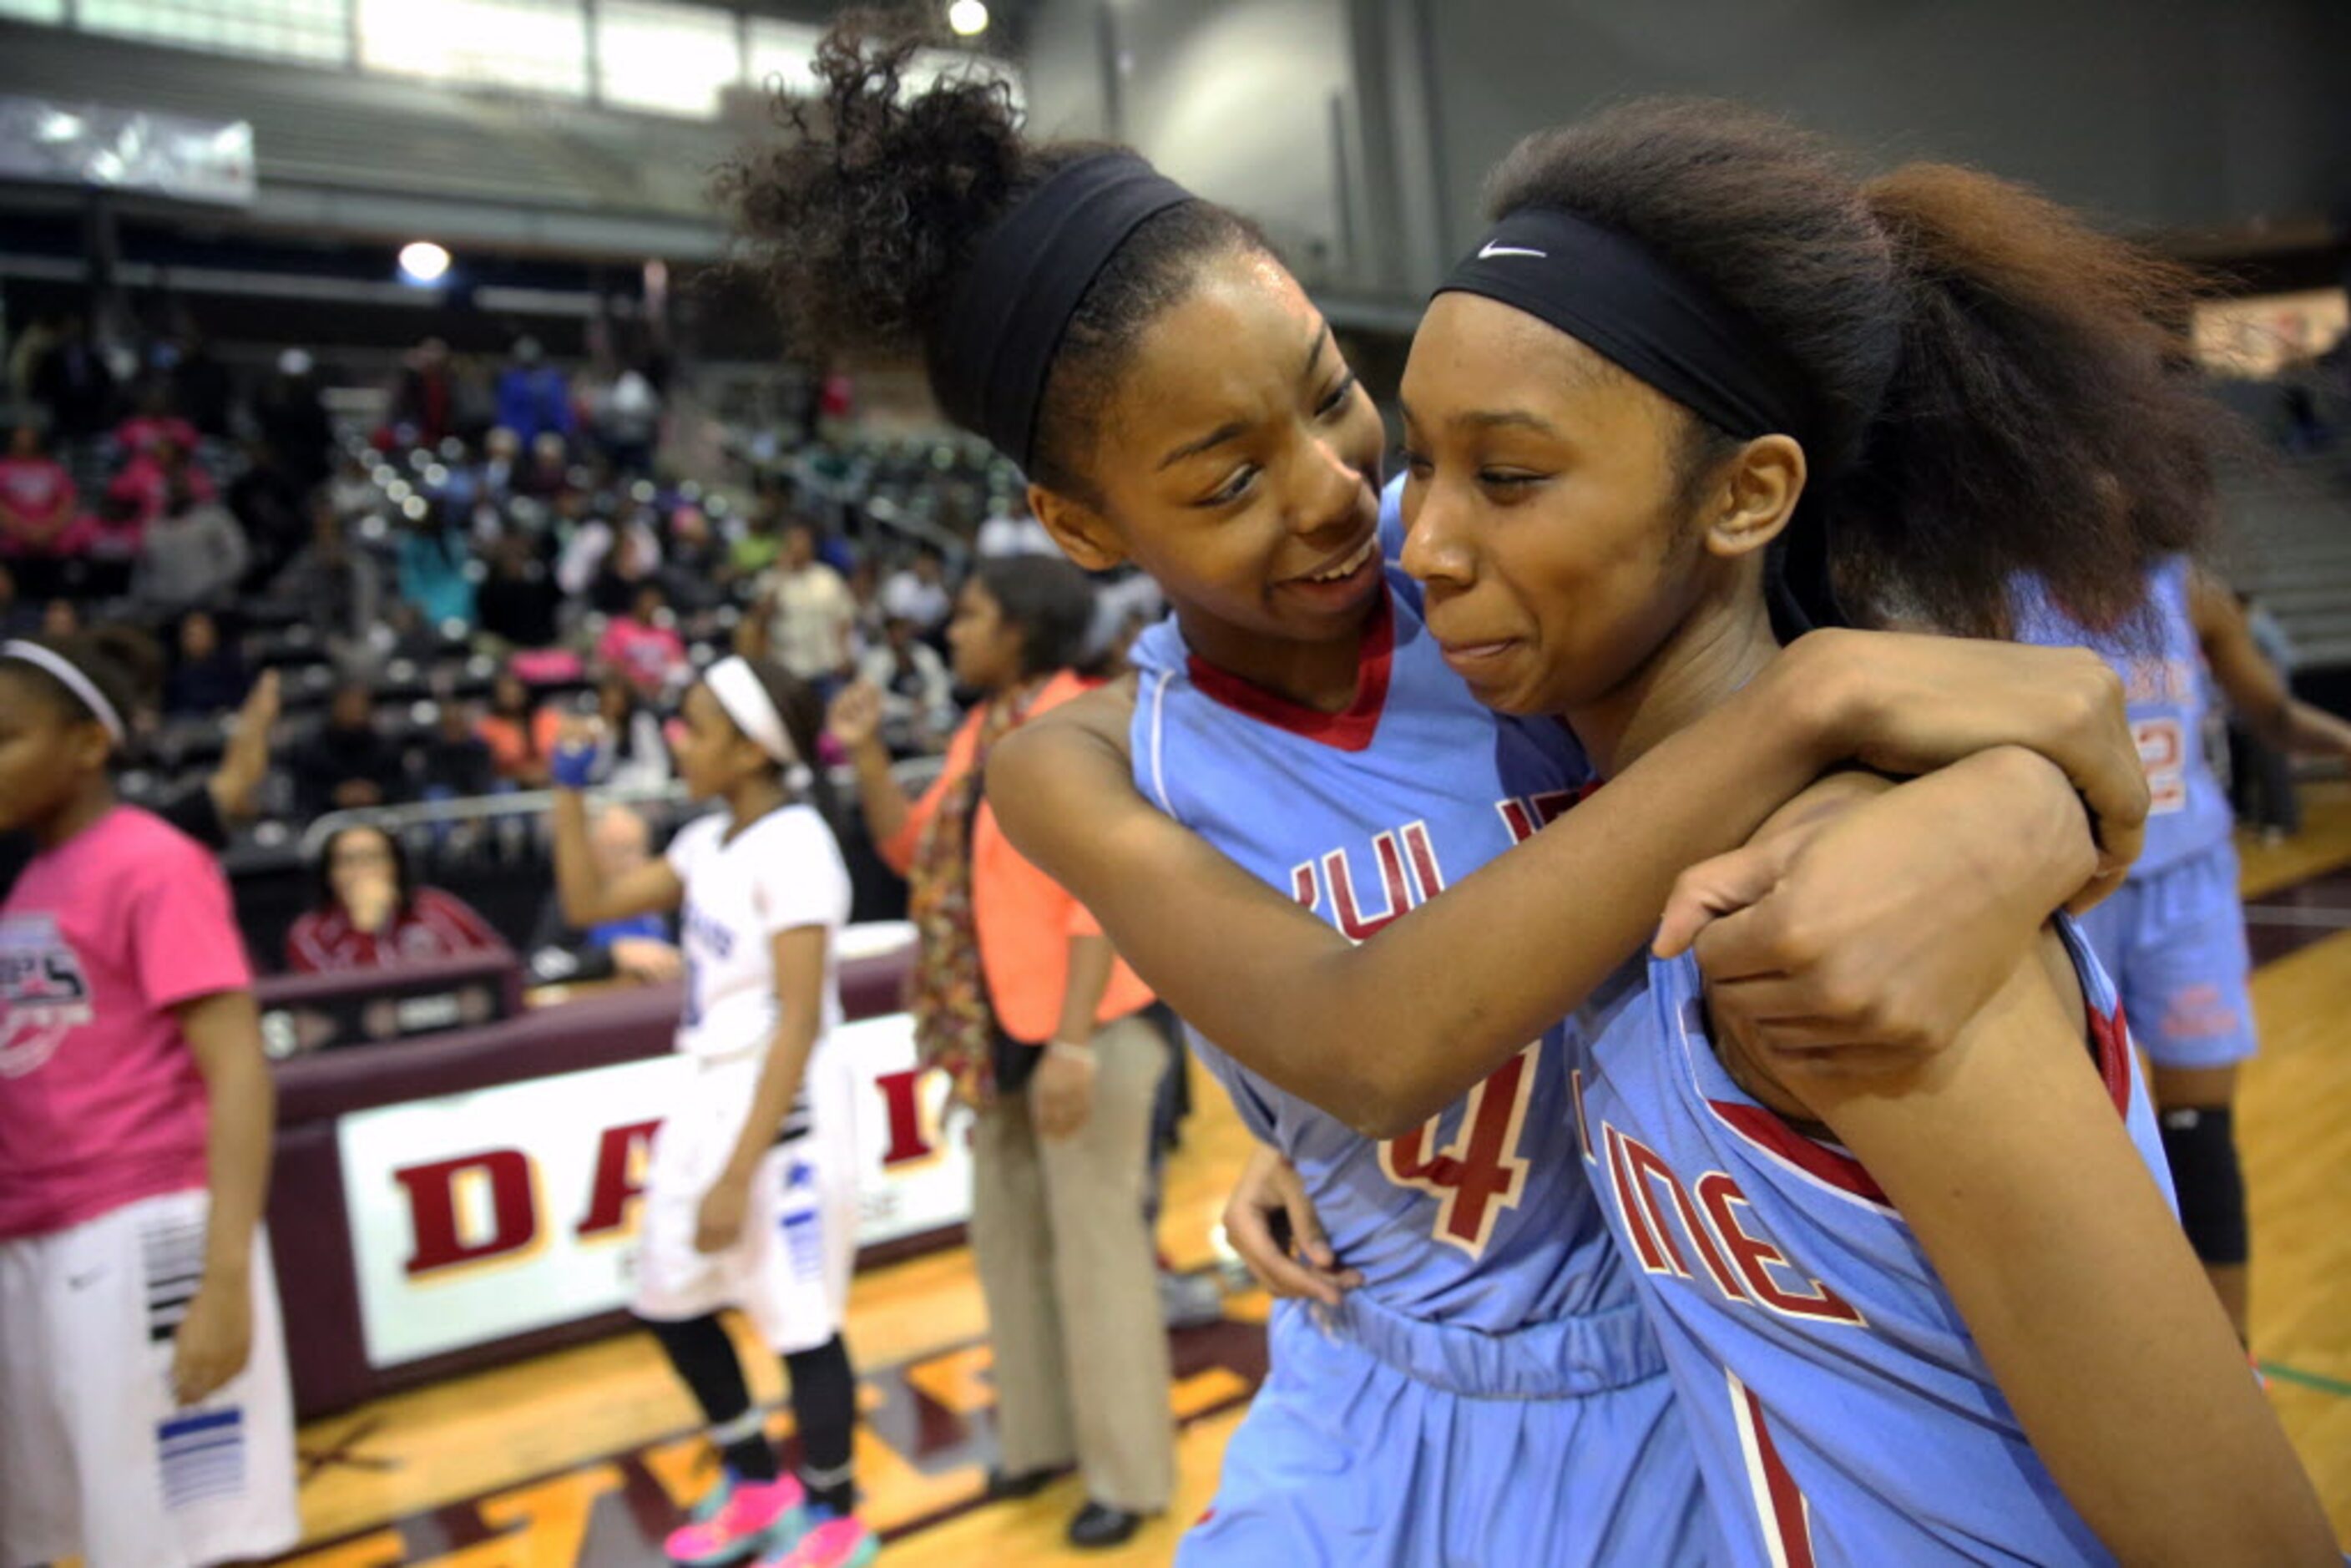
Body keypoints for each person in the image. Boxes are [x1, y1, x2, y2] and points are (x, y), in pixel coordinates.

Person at [724, 28, 2151, 1565]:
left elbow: (1798, 628)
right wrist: (1308, 1134)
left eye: (1333, 395)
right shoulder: (1077, 760)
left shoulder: (1491, 551)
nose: (1337, 489)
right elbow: (1369, 1043)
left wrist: (2017, 803)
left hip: (1669, 1352)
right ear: (1080, 523)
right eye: (1224, 481)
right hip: (1366, 1378)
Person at [828, 556, 1173, 1549]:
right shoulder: (985, 729)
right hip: (997, 1035)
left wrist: (1071, 1044)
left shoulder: (1082, 720)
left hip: (1088, 1028)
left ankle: (1128, 1475)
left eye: (969, 615)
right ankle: (1039, 1440)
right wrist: (860, 756)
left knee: (1097, 1255)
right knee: (1008, 1246)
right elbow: (914, 853)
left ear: (1020, 627)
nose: (950, 631)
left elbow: (1099, 888)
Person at [548, 655, 875, 1568]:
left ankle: (835, 1514)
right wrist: (564, 796)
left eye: (695, 726)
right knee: (667, 1299)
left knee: (803, 1320)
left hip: (787, 1099)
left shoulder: (798, 844)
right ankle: (756, 1478)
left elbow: (801, 1015)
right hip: (709, 1089)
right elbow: (589, 904)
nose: (678, 743)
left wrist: (740, 1168)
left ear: (752, 748)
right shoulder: (706, 842)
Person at [0, 633, 298, 1567]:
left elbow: (240, 1068)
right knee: (87, 1529)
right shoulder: (33, 880)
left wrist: (222, 1280)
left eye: (6, 735)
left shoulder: (152, 862)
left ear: (89, 744)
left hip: (142, 1232)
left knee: (187, 1538)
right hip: (38, 1230)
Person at [2019, 558, 2351, 1341]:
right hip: (2065, 887)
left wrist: (2340, 738)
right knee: (2067, 1132)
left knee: (2198, 1130)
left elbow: (2270, 717)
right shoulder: (2000, 590)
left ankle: (2234, 1360)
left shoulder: (2190, 590)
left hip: (2187, 881)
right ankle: (2098, 1341)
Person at [284, 824, 504, 974]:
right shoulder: (310, 934)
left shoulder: (436, 908)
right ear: (329, 875)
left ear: (395, 866)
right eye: (347, 861)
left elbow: (498, 960)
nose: (361, 870)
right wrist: (365, 932)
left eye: (373, 857)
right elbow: (331, 1002)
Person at [525, 801, 681, 988]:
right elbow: (537, 967)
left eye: (640, 849)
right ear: (592, 854)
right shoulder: (571, 902)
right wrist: (611, 957)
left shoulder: (663, 898)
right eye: (620, 852)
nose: (633, 862)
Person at [756, 518, 858, 690]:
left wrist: (844, 655)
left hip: (824, 668)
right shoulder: (771, 579)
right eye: (791, 541)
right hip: (786, 668)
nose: (797, 546)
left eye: (801, 540)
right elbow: (762, 618)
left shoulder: (828, 578)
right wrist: (780, 575)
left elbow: (844, 619)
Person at [292, 682, 409, 817]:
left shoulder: (388, 749)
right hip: (325, 823)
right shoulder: (311, 751)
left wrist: (376, 793)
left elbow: (402, 793)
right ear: (335, 707)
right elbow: (303, 796)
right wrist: (334, 795)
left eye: (360, 704)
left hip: (379, 823)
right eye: (348, 704)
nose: (354, 710)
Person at [854, 614, 957, 753]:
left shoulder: (925, 654)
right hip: (894, 720)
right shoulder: (876, 660)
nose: (899, 636)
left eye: (902, 630)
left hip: (929, 714)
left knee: (948, 717)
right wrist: (909, 708)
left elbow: (940, 684)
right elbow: (872, 698)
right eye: (894, 631)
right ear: (887, 634)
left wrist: (928, 703)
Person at [597, 580, 690, 698]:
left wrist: (658, 686)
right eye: (649, 601)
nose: (652, 606)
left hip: (661, 690)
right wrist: (636, 685)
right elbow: (610, 661)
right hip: (628, 690)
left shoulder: (666, 631)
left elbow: (678, 661)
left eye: (656, 602)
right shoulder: (620, 628)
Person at [164, 610, 250, 720]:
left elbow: (242, 701)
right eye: (191, 635)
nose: (197, 640)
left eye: (202, 633)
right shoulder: (175, 675)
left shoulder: (231, 670)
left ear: (213, 635)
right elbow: (169, 709)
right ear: (182, 639)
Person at [476, 670, 552, 787]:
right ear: (496, 696)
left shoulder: (546, 719)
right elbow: (489, 768)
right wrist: (523, 776)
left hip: (550, 778)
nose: (512, 694)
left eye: (516, 689)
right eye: (505, 692)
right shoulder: (487, 728)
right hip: (510, 785)